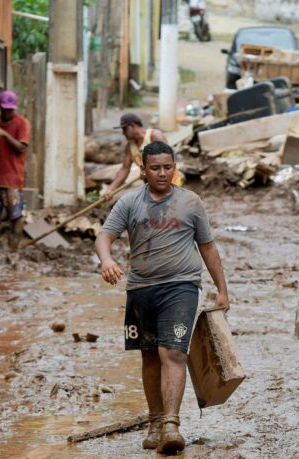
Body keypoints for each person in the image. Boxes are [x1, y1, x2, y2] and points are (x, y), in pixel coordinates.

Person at [95, 141, 229, 453]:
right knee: (149, 355)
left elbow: (207, 247)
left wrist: (222, 289)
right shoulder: (129, 203)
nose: (162, 173)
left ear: (174, 167)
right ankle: (155, 421)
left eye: (168, 167)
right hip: (141, 288)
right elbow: (105, 235)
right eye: (155, 168)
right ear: (143, 169)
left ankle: (171, 423)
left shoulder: (191, 202)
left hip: (181, 286)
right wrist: (107, 260)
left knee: (174, 353)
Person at [0, 91, 31, 248]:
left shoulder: (21, 123)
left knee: (17, 216)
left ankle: (13, 249)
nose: (8, 112)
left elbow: (21, 147)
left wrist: (4, 134)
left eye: (11, 109)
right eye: (5, 109)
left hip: (12, 180)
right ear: (0, 107)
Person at [102, 113, 182, 201]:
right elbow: (124, 169)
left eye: (124, 129)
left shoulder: (154, 136)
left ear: (132, 126)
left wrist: (148, 171)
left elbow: (168, 161)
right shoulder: (130, 147)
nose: (123, 133)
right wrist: (111, 189)